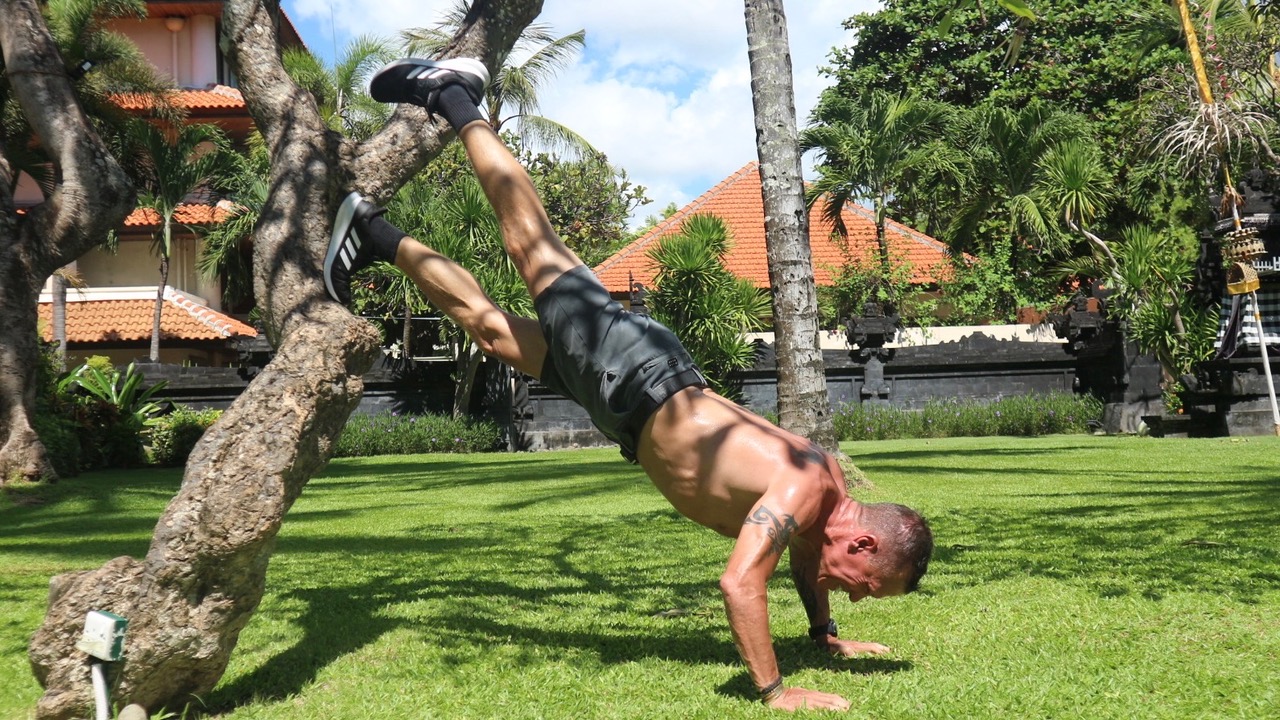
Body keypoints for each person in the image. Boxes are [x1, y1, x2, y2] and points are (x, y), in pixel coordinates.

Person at [324, 57, 934, 712]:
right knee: (532, 241)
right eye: (867, 586)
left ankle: (367, 228)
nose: (854, 593)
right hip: (631, 368)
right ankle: (452, 93)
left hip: (624, 399)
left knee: (492, 334)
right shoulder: (801, 487)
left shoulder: (826, 499)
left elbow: (808, 560)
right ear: (863, 543)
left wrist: (825, 635)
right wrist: (776, 692)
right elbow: (740, 584)